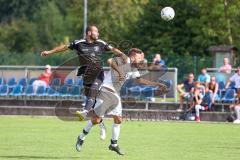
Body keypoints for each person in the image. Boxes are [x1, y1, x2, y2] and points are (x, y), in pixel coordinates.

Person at [41, 25, 127, 140]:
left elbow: (113, 49)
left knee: (91, 96)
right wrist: (49, 52)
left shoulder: (100, 43)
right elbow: (64, 48)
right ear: (89, 33)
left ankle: (84, 111)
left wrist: (122, 55)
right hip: (86, 76)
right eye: (96, 31)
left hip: (98, 74)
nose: (98, 33)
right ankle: (101, 124)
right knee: (94, 102)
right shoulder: (79, 43)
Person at [75, 48, 167, 155]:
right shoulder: (125, 59)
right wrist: (119, 70)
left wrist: (157, 84)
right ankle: (81, 137)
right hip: (105, 91)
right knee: (96, 120)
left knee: (118, 119)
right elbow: (109, 61)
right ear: (133, 56)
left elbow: (140, 80)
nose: (141, 59)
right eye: (139, 57)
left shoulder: (133, 68)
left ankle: (113, 144)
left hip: (116, 95)